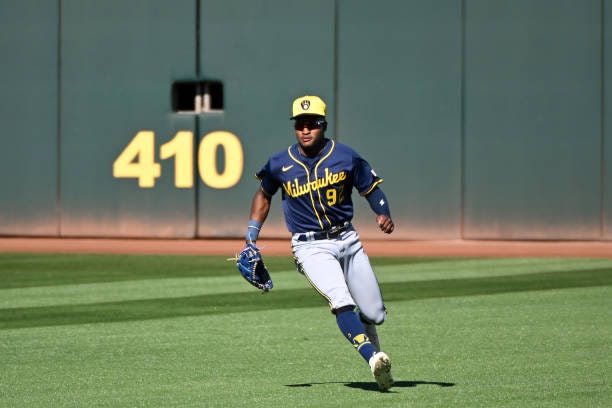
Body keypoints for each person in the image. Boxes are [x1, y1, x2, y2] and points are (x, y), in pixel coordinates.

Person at [244, 95, 395, 391]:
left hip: (347, 239)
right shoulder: (280, 163)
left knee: (375, 314)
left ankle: (376, 356)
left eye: (312, 123)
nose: (305, 129)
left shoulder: (346, 157)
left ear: (323, 125)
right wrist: (251, 235)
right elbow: (264, 195)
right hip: (310, 246)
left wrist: (383, 213)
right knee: (341, 301)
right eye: (300, 124)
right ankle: (373, 358)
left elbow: (371, 188)